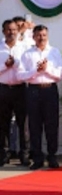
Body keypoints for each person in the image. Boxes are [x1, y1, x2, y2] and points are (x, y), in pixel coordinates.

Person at [17, 25, 62, 170]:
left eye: (44, 35)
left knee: (52, 125)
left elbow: (61, 73)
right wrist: (36, 71)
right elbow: (20, 75)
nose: (41, 38)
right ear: (33, 37)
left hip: (50, 90)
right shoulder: (27, 54)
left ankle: (52, 156)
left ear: (48, 36)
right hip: (33, 91)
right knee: (34, 125)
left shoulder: (54, 52)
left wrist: (47, 70)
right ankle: (37, 157)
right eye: (38, 35)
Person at [0, 20, 29, 166]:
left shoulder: (24, 48)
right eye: (8, 30)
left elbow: (28, 68)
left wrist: (15, 63)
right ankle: (4, 154)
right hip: (3, 89)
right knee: (2, 123)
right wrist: (5, 66)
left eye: (14, 30)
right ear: (3, 31)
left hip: (20, 89)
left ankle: (24, 154)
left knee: (23, 123)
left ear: (18, 31)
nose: (11, 33)